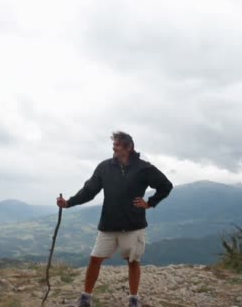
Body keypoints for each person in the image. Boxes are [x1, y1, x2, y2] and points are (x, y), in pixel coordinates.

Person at [57, 131, 173, 307]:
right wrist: (68, 203)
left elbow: (166, 185)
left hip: (133, 225)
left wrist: (150, 203)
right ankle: (85, 298)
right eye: (114, 144)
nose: (114, 147)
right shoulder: (105, 167)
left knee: (133, 261)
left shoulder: (143, 168)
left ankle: (134, 299)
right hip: (108, 225)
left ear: (129, 148)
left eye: (118, 145)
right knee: (95, 259)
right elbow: (89, 191)